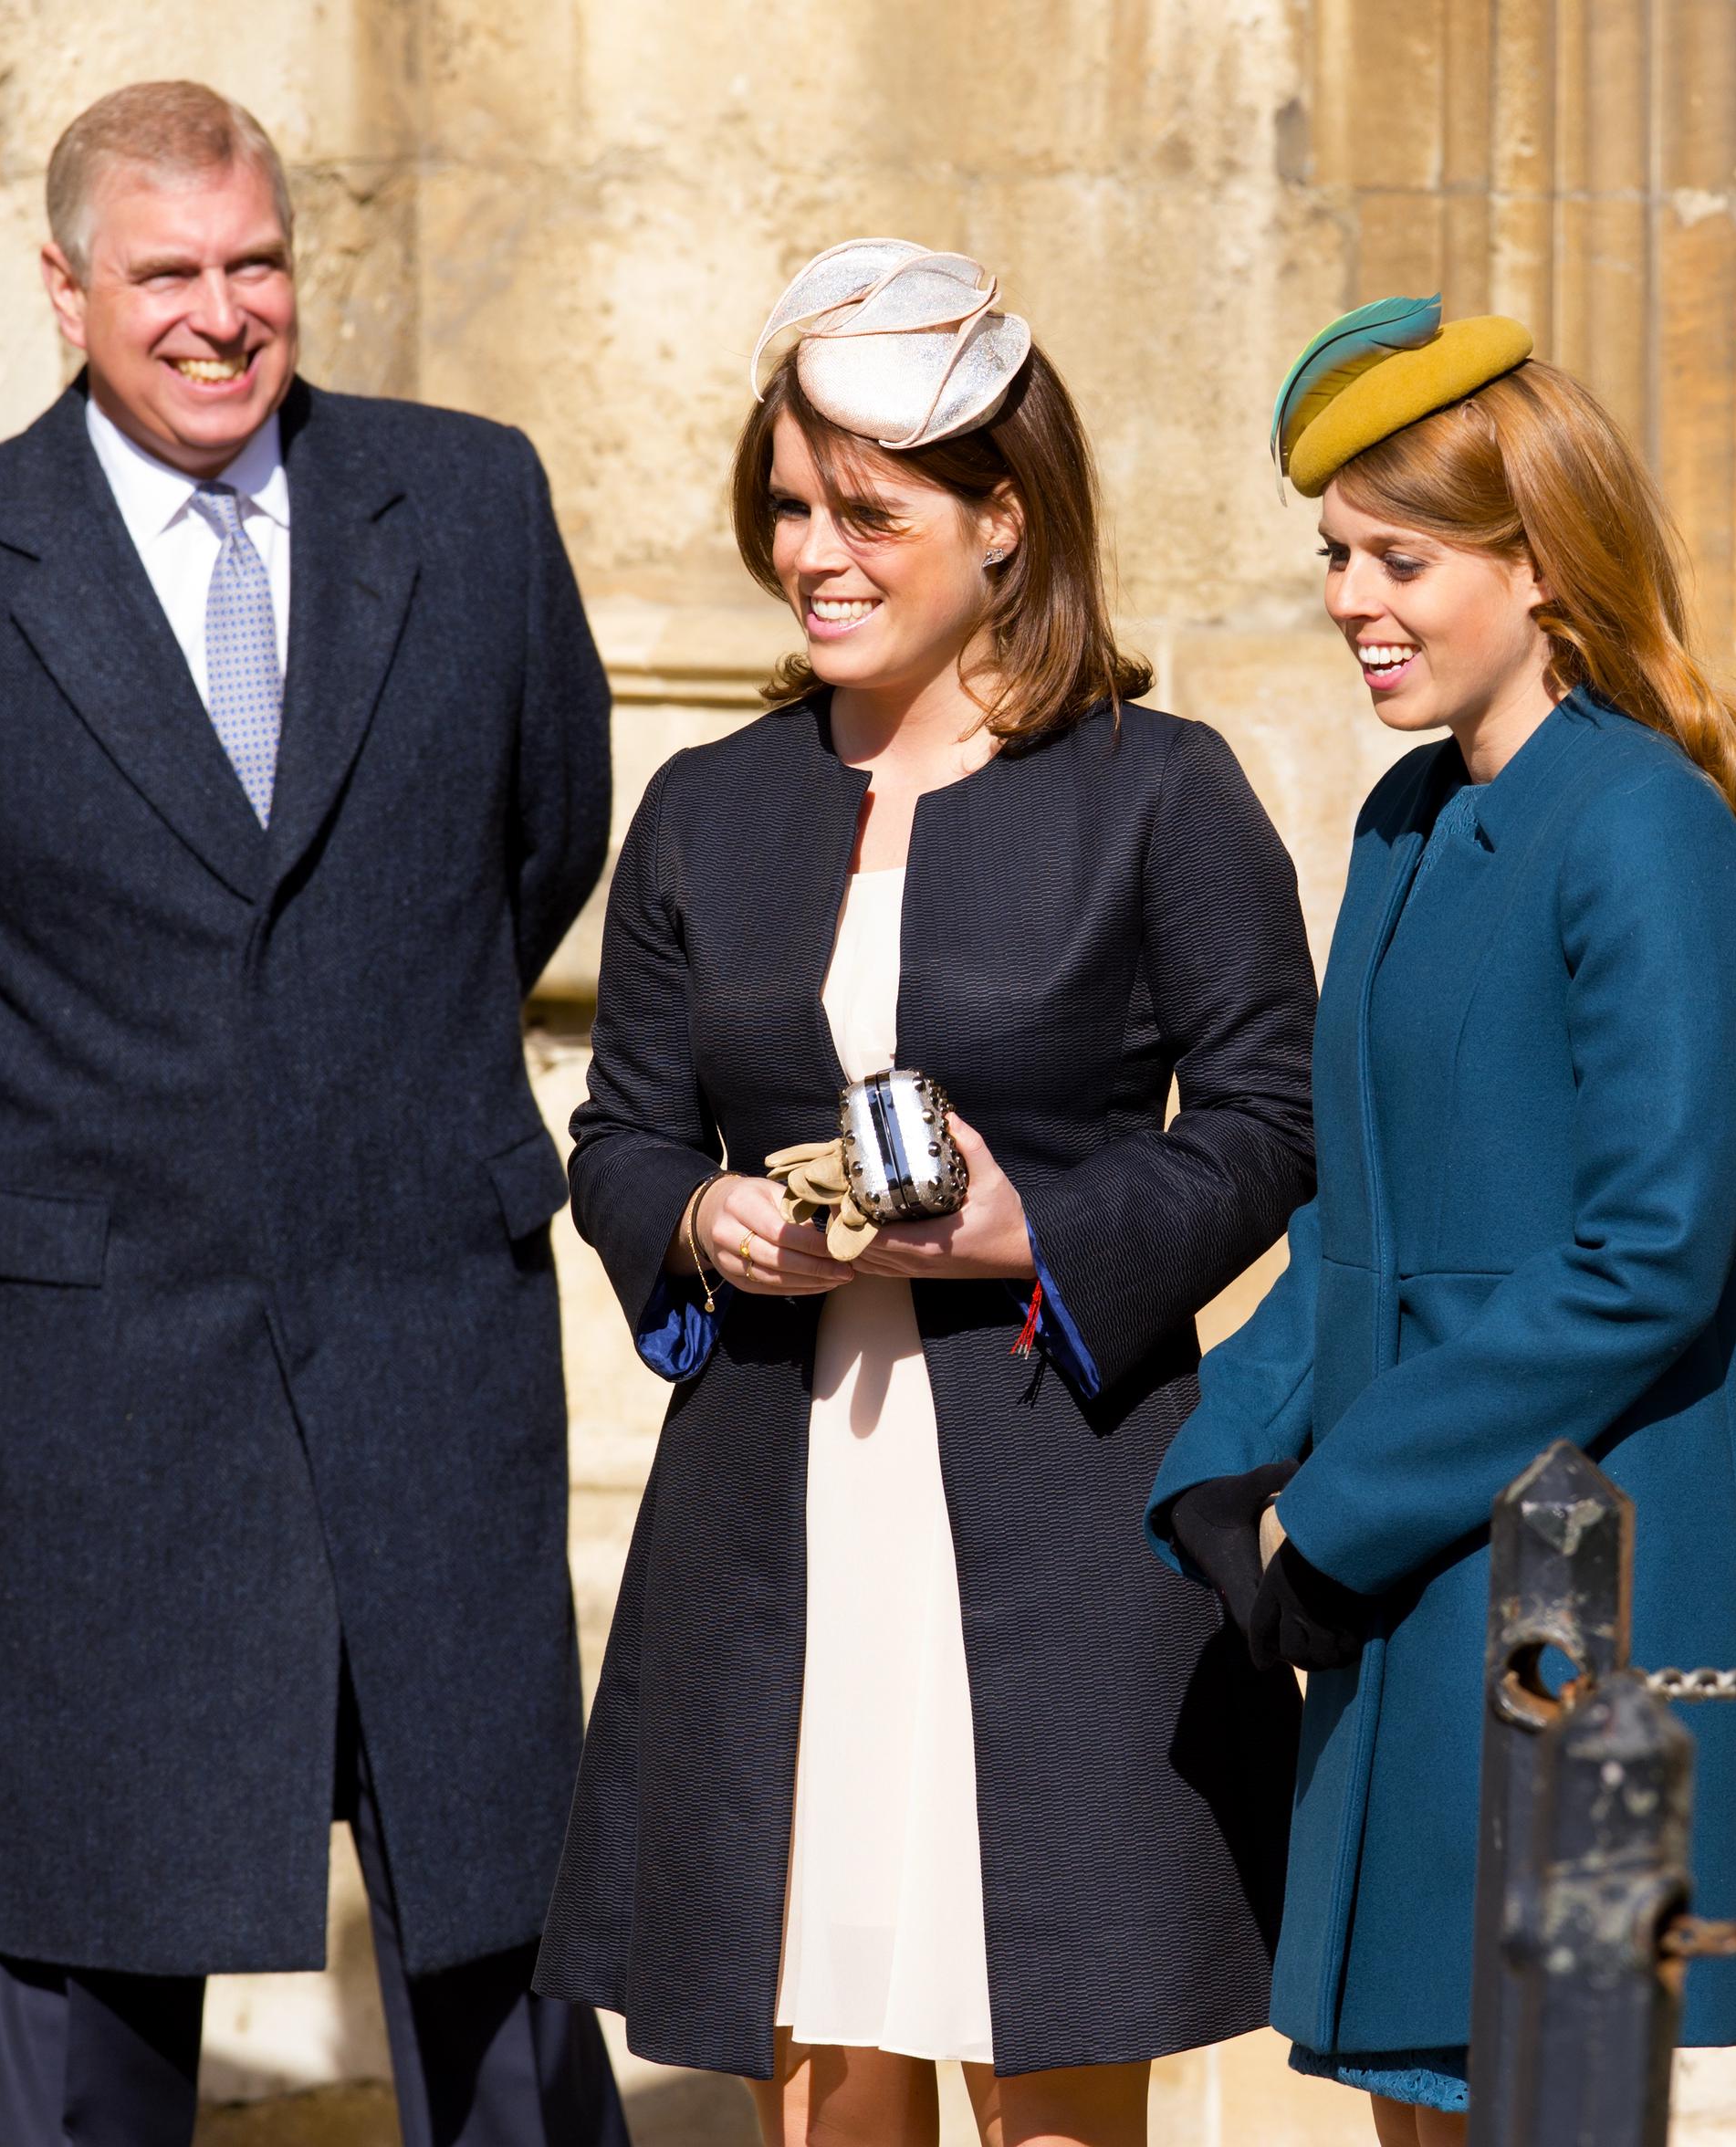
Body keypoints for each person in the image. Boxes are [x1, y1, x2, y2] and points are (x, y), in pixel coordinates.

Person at [0, 79, 627, 2147]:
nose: (221, 315)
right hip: (100, 1353)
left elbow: (547, 838)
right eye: (167, 274)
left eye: (257, 264)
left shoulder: (474, 504)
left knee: (499, 1946)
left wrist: (361, 1086)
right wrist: (100, 1130)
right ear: (66, 288)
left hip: (428, 1322)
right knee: (80, 1955)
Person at [534, 239, 1320, 2147]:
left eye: (868, 514)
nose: (815, 552)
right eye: (791, 508)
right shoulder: (711, 805)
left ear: (1004, 520)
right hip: (776, 1529)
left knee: (1049, 2078)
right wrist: (708, 1225)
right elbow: (623, 1134)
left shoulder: (1158, 788)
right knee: (821, 2065)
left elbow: (1275, 1114)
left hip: (1060, 1516)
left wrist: (1033, 1230)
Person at [1145, 298, 1736, 2146]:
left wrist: (1341, 1511)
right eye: (1337, 558)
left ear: (1539, 563)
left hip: (1566, 1588)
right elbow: (1366, 1220)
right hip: (1420, 1579)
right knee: (1417, 2103)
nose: (1357, 598)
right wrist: (1229, 1447)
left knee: (1535, 2104)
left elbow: (1649, 1257)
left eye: (1402, 558)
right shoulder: (1405, 822)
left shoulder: (1643, 829)